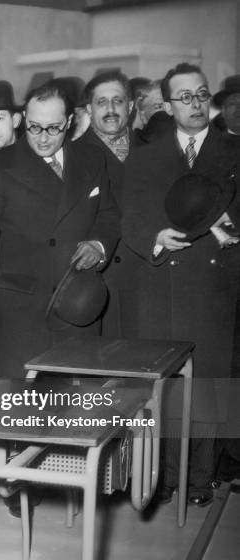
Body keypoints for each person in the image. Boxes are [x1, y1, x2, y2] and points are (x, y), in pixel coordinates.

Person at [121, 62, 240, 506]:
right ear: (167, 105)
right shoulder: (146, 155)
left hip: (215, 284)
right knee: (165, 387)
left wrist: (230, 223)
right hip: (161, 283)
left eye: (201, 95)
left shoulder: (233, 149)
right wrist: (154, 236)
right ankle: (162, 475)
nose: (194, 104)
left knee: (208, 381)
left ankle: (199, 480)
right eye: (184, 97)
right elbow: (131, 215)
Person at [0, 79, 119, 378]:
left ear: (69, 122)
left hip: (79, 305)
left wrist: (99, 244)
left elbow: (108, 214)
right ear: (24, 121)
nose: (43, 138)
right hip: (23, 313)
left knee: (78, 409)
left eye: (53, 128)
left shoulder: (92, 158)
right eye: (34, 127)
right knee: (24, 411)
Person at [74, 70, 133, 336]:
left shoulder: (154, 150)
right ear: (89, 109)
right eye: (101, 102)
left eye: (118, 101)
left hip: (149, 283)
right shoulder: (71, 156)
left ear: (130, 106)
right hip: (100, 285)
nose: (110, 109)